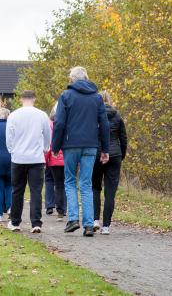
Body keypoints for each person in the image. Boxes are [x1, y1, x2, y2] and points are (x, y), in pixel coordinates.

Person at [51, 66, 110, 237]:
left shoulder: (66, 96)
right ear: (86, 78)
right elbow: (104, 124)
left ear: (72, 79)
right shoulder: (97, 98)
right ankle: (89, 225)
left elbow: (59, 123)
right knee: (86, 184)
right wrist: (105, 149)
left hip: (70, 145)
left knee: (70, 181)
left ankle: (73, 220)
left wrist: (55, 147)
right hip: (91, 145)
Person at [5, 90, 52, 233]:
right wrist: (45, 148)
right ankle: (36, 223)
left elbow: (9, 137)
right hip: (36, 158)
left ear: (21, 99)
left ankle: (15, 222)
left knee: (17, 191)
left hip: (18, 158)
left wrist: (12, 150)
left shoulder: (13, 115)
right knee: (36, 191)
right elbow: (47, 134)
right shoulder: (42, 115)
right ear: (34, 99)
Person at [91, 91, 128, 235]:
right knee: (110, 191)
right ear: (110, 100)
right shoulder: (117, 116)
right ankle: (106, 226)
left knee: (95, 188)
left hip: (96, 154)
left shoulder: (94, 116)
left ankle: (95, 220)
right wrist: (121, 155)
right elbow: (123, 138)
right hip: (114, 155)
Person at [45, 103, 66, 219]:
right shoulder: (69, 123)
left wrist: (45, 160)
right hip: (67, 158)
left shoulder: (49, 124)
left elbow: (48, 144)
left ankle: (50, 205)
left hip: (53, 158)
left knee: (52, 181)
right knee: (66, 183)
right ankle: (63, 209)